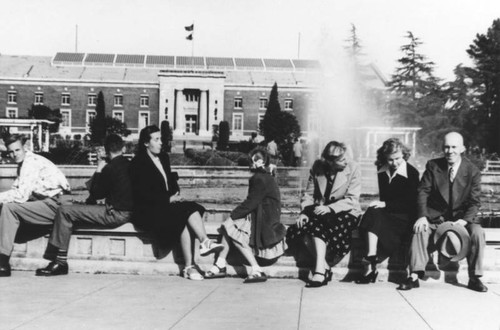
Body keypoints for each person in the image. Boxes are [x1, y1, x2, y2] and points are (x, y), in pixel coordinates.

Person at [130, 125, 223, 280]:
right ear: (146, 143)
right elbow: (141, 194)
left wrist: (175, 193)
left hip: (165, 206)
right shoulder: (137, 163)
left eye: (161, 139)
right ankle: (194, 258)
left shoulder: (164, 158)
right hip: (148, 211)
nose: (161, 143)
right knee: (186, 211)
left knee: (189, 209)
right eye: (156, 139)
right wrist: (167, 199)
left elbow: (169, 182)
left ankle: (194, 259)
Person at [398, 132, 487, 292]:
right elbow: (422, 192)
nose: (450, 151)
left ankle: (475, 278)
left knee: (478, 233)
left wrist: (465, 221)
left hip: (461, 219)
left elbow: (474, 202)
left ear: (462, 149)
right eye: (446, 147)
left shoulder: (472, 171)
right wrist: (422, 216)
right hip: (435, 218)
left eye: (454, 147)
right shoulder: (433, 166)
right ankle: (414, 276)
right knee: (419, 229)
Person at [35, 134, 134, 276]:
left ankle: (60, 261)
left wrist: (99, 168)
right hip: (126, 212)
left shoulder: (110, 167)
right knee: (74, 208)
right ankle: (59, 259)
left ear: (106, 151)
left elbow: (96, 193)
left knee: (64, 211)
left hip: (115, 214)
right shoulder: (128, 164)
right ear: (123, 148)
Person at [205, 148, 287, 283]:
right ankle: (220, 264)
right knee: (229, 226)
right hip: (265, 218)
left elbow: (251, 203)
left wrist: (233, 215)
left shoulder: (259, 178)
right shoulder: (266, 176)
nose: (250, 163)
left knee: (234, 229)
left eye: (252, 160)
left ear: (260, 161)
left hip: (265, 223)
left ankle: (256, 269)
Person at [286, 141, 362, 287]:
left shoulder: (353, 167)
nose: (346, 160)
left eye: (345, 157)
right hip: (322, 210)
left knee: (316, 226)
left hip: (346, 211)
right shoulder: (318, 167)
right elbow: (308, 194)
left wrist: (330, 208)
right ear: (329, 162)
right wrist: (305, 212)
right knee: (304, 224)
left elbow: (352, 199)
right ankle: (323, 267)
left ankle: (320, 271)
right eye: (341, 160)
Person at [0, 134, 70, 277]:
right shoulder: (25, 163)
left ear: (25, 148)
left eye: (17, 150)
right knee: (7, 206)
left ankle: (2, 264)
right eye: (11, 152)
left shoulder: (30, 163)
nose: (14, 154)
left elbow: (20, 195)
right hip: (49, 203)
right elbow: (16, 190)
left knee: (9, 209)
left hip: (57, 205)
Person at [357, 138, 419, 284]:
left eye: (397, 158)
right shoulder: (382, 169)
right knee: (372, 210)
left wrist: (385, 204)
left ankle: (370, 264)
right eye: (390, 160)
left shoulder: (412, 173)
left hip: (404, 218)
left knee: (375, 213)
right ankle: (371, 255)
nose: (394, 163)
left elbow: (411, 204)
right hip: (389, 214)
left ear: (404, 155)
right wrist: (383, 205)